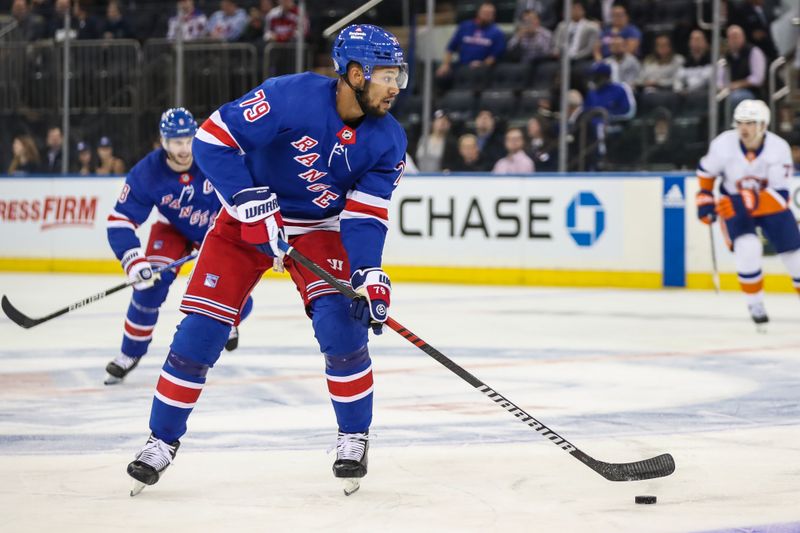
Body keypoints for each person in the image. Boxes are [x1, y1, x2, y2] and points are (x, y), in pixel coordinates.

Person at [124, 25, 408, 496]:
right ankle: (160, 440)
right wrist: (247, 198)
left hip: (319, 228)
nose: (396, 85)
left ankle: (354, 436)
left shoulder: (389, 140)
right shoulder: (288, 96)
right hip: (244, 220)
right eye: (386, 75)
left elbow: (364, 214)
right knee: (201, 331)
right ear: (355, 73)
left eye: (399, 74)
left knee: (343, 330)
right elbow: (212, 139)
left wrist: (370, 274)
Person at [104, 108, 250, 385]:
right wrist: (133, 259)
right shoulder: (147, 172)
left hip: (217, 230)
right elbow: (120, 219)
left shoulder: (213, 156)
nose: (183, 149)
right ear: (163, 141)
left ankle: (230, 319)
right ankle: (129, 353)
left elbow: (246, 193)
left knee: (229, 291)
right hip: (171, 229)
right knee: (150, 285)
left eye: (187, 140)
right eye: (176, 142)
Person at [695, 100, 800, 326]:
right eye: (741, 123)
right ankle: (755, 303)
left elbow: (780, 196)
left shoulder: (778, 148)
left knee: (795, 257)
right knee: (748, 248)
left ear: (763, 125)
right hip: (733, 202)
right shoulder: (723, 144)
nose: (744, 128)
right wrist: (704, 196)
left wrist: (745, 201)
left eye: (751, 123)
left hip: (768, 204)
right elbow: (706, 171)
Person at [436, 3, 506, 80]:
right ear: (478, 13)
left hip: (482, 68)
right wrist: (445, 65)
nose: (487, 15)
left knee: (477, 74)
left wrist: (482, 64)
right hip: (462, 65)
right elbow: (450, 49)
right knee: (442, 75)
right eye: (485, 12)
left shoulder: (497, 32)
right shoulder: (465, 26)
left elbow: (494, 57)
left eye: (490, 13)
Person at [718, 25, 766, 109]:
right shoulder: (725, 56)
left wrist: (736, 85)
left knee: (735, 98)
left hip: (751, 92)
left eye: (736, 37)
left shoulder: (754, 52)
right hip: (728, 91)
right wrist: (722, 87)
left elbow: (757, 79)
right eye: (731, 37)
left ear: (743, 37)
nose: (734, 40)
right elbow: (719, 78)